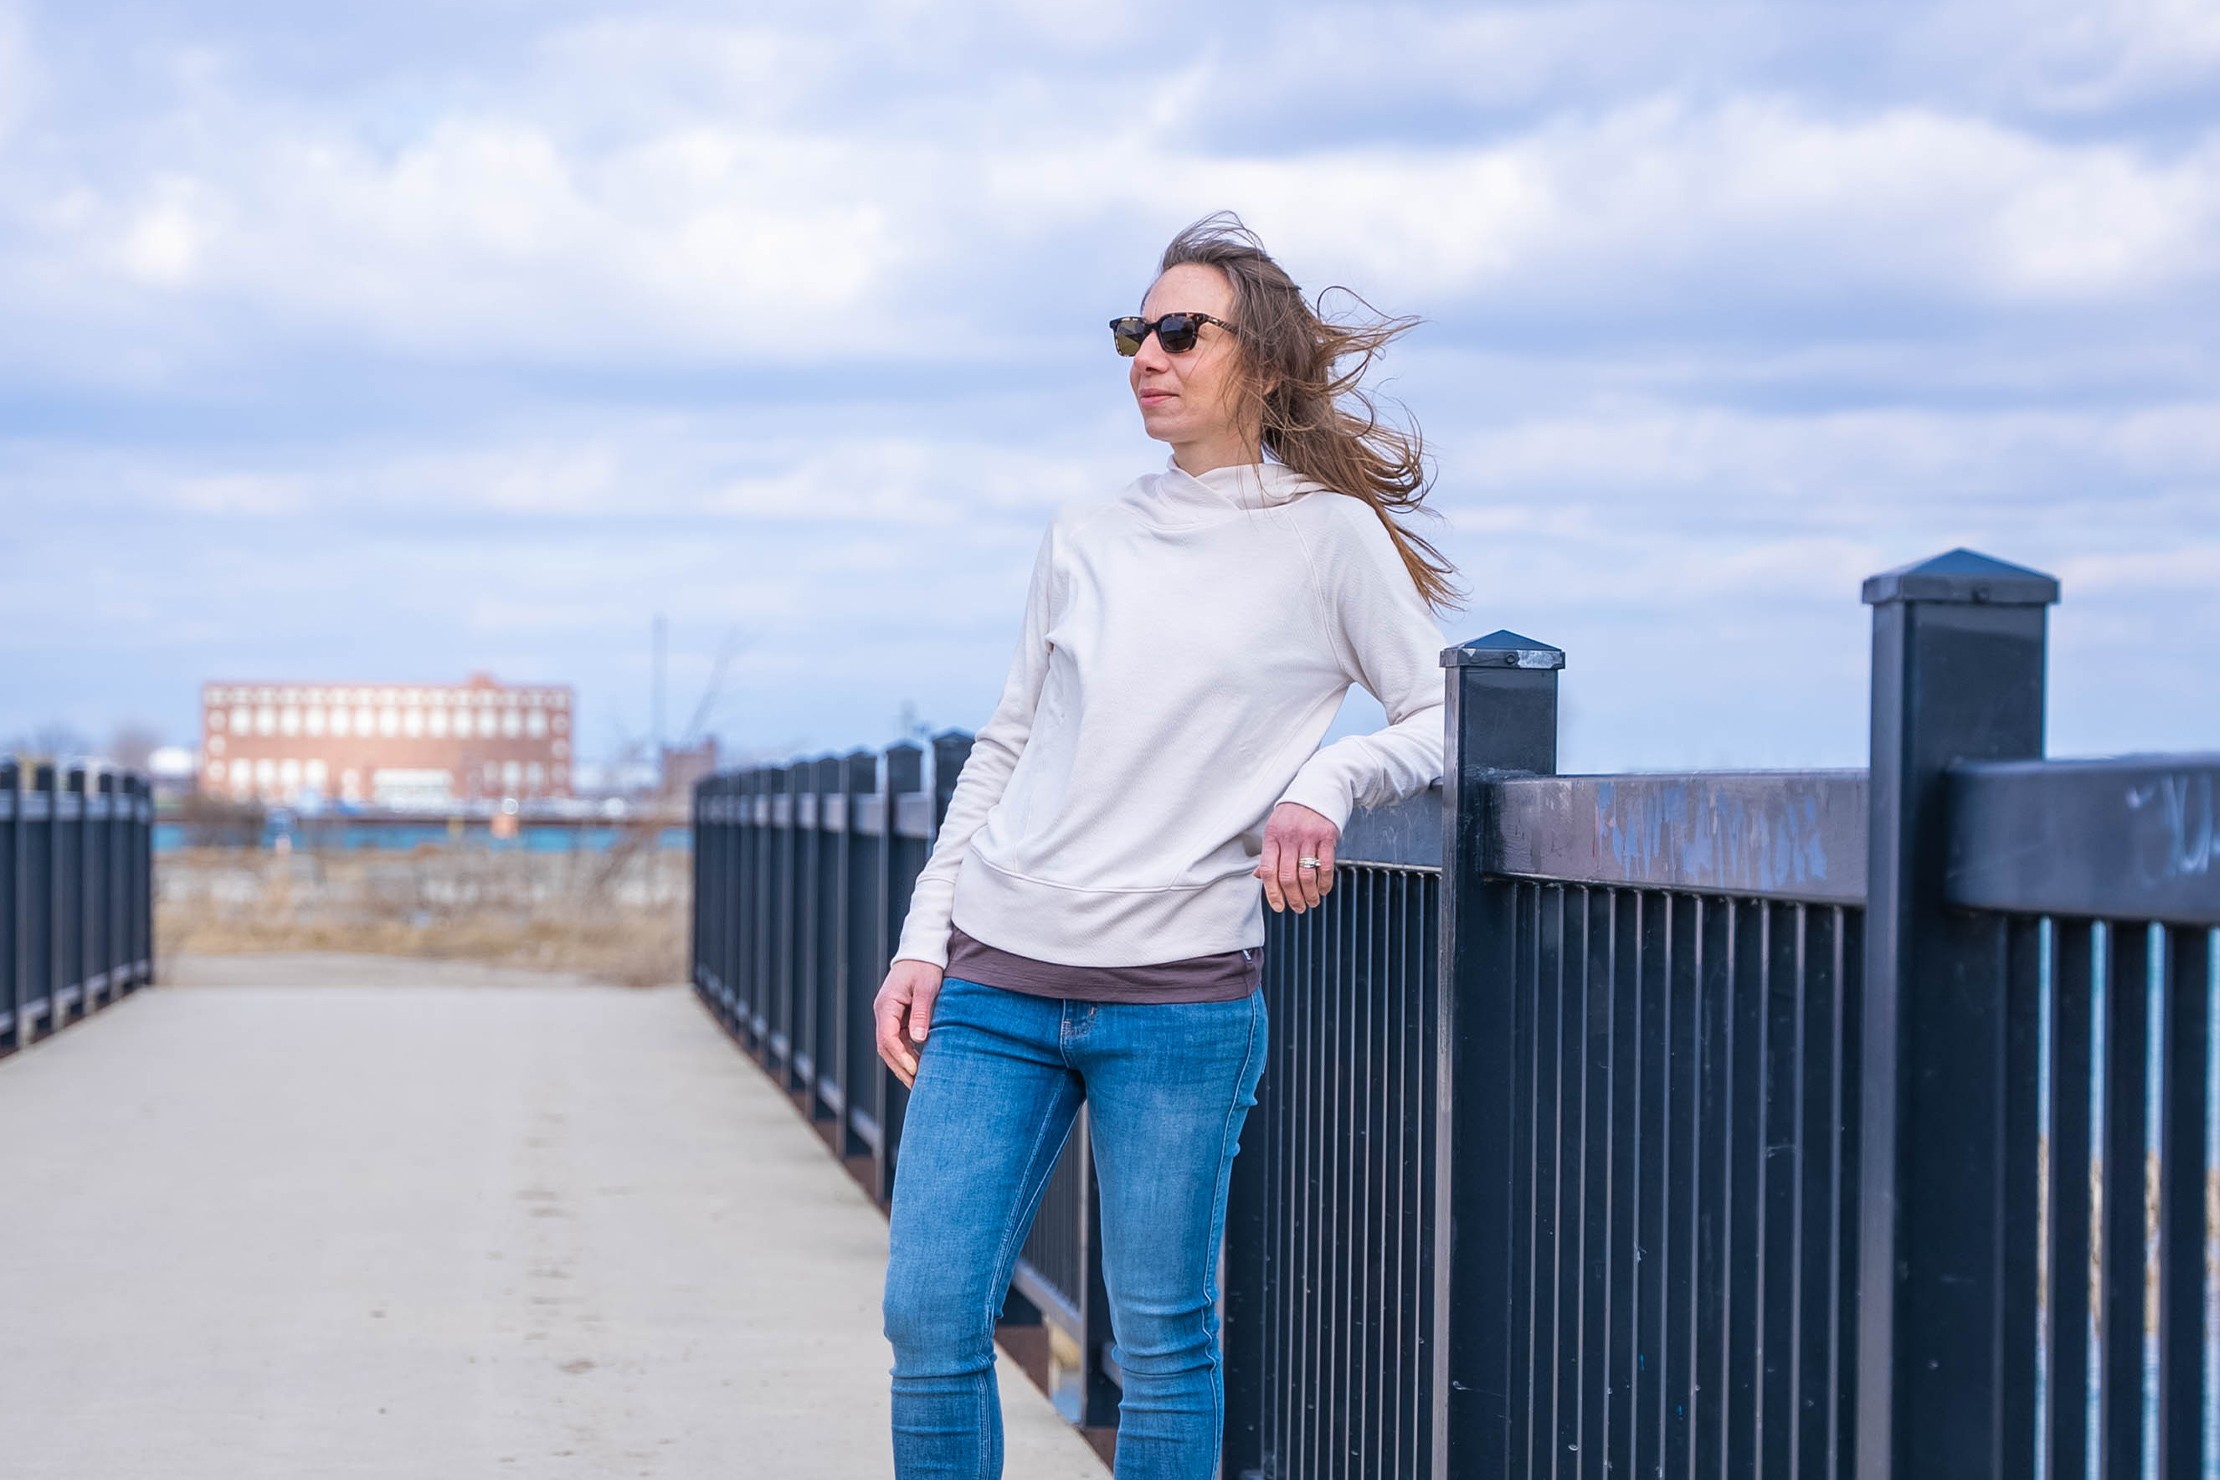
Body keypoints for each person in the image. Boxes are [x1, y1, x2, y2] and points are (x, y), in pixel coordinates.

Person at [875, 212, 1462, 1479]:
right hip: (995, 980)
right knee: (926, 1319)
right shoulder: (1084, 533)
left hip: (1181, 1002)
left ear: (1263, 360)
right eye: (1135, 331)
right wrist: (923, 939)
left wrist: (1326, 783)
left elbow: (1439, 716)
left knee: (1162, 1344)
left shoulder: (1328, 536)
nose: (1148, 353)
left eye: (1180, 331)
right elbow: (1007, 746)